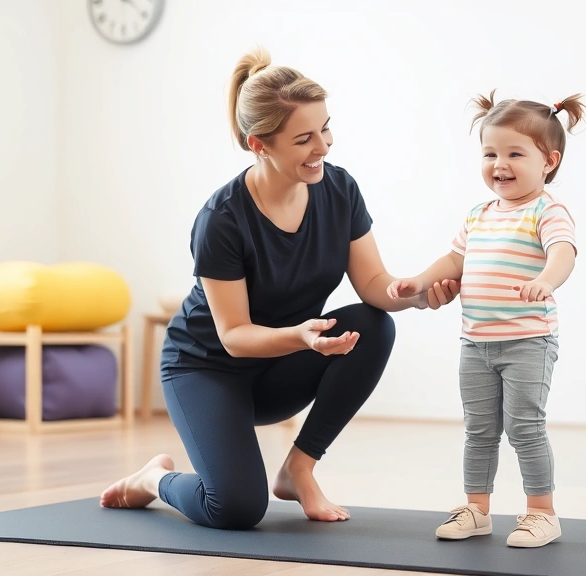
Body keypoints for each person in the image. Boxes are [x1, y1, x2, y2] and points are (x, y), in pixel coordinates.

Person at [99, 47, 459, 530]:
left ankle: (298, 468)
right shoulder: (221, 220)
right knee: (235, 508)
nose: (324, 147)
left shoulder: (340, 190)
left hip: (279, 370)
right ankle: (153, 480)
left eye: (326, 128)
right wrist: (301, 337)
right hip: (207, 370)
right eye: (304, 139)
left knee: (374, 325)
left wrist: (416, 293)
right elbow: (234, 336)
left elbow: (374, 284)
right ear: (259, 145)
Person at [388, 90, 586, 547]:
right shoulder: (478, 215)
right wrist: (418, 281)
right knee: (478, 431)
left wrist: (547, 281)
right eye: (490, 153)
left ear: (549, 162)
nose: (500, 163)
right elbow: (453, 261)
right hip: (475, 342)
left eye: (515, 153)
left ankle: (542, 512)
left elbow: (563, 252)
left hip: (527, 342)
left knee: (524, 428)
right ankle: (476, 508)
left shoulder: (546, 209)